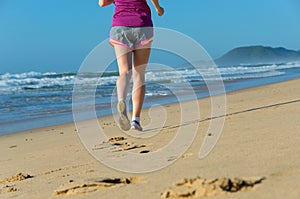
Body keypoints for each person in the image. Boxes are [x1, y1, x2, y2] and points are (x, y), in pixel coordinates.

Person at [99, 0, 164, 131]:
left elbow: (102, 3)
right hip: (142, 25)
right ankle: (136, 120)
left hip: (121, 26)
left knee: (124, 72)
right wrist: (158, 8)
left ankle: (122, 100)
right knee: (139, 73)